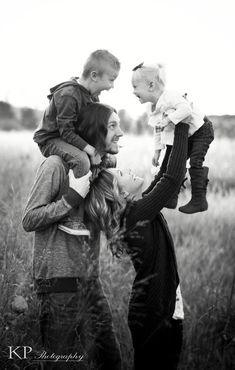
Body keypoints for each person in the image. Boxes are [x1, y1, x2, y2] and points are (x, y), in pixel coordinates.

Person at [79, 114, 189, 369]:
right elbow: (172, 179)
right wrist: (182, 122)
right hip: (155, 313)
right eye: (122, 173)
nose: (129, 170)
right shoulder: (136, 215)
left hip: (158, 308)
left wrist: (169, 136)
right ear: (119, 192)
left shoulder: (136, 211)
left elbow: (164, 177)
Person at [22, 103, 123, 370]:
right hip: (57, 287)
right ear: (93, 131)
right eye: (113, 126)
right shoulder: (55, 165)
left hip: (91, 284)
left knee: (111, 361)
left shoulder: (98, 170)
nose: (121, 133)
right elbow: (29, 219)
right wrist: (71, 198)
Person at [33, 49, 121, 234]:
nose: (112, 86)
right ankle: (72, 217)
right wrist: (89, 149)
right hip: (51, 139)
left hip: (70, 138)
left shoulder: (91, 95)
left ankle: (97, 208)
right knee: (81, 161)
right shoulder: (69, 95)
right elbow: (66, 132)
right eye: (111, 80)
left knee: (109, 161)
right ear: (94, 76)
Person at [131, 62, 214, 214]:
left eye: (135, 86)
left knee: (195, 162)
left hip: (201, 130)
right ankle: (169, 197)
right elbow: (158, 130)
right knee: (169, 163)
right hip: (183, 136)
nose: (133, 91)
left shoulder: (171, 96)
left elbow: (186, 109)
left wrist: (169, 120)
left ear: (151, 85)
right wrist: (157, 151)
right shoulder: (153, 108)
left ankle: (199, 200)